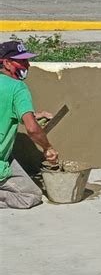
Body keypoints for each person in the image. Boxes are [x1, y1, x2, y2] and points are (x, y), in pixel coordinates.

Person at [0, 41, 59, 209]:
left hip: (4, 157)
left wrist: (31, 114)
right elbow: (32, 130)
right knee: (30, 195)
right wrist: (48, 148)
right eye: (22, 61)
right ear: (7, 63)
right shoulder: (18, 88)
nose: (28, 65)